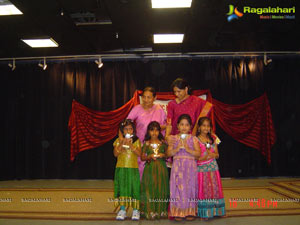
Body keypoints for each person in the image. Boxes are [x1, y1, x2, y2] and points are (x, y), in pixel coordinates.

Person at [127, 87, 166, 179]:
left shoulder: (159, 109)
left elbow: (166, 125)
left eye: (149, 97)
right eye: (144, 97)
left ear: (154, 98)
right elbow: (127, 123)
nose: (145, 100)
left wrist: (155, 129)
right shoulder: (137, 109)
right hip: (140, 145)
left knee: (154, 170)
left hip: (154, 145)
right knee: (141, 170)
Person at [167, 114, 201, 221]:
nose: (184, 127)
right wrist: (176, 149)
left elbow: (198, 154)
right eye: (182, 124)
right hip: (177, 166)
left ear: (190, 127)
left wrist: (187, 148)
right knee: (177, 187)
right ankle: (178, 211)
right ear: (177, 126)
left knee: (190, 187)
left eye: (186, 125)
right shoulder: (173, 138)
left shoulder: (194, 139)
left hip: (190, 167)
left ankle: (190, 211)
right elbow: (168, 153)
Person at [196, 117, 225, 219]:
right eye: (203, 125)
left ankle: (216, 211)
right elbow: (196, 157)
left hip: (213, 167)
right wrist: (204, 157)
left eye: (208, 126)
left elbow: (217, 155)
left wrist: (211, 155)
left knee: (214, 188)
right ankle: (205, 212)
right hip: (202, 169)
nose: (206, 128)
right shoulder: (195, 139)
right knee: (205, 189)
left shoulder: (213, 138)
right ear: (199, 127)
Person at [113, 119, 142, 220]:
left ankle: (135, 210)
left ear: (133, 131)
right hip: (121, 168)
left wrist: (131, 145)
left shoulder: (136, 141)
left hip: (133, 169)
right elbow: (115, 154)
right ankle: (122, 210)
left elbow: (140, 154)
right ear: (122, 131)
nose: (128, 131)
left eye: (130, 129)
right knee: (122, 188)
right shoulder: (118, 141)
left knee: (134, 188)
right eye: (126, 129)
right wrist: (121, 143)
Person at [140, 121, 169, 219]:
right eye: (152, 130)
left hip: (161, 168)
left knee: (161, 187)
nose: (154, 132)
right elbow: (142, 157)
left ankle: (160, 210)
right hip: (150, 169)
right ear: (148, 131)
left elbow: (168, 154)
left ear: (159, 131)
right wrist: (150, 156)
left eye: (157, 130)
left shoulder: (163, 143)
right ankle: (149, 210)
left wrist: (162, 155)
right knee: (150, 189)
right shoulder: (146, 143)